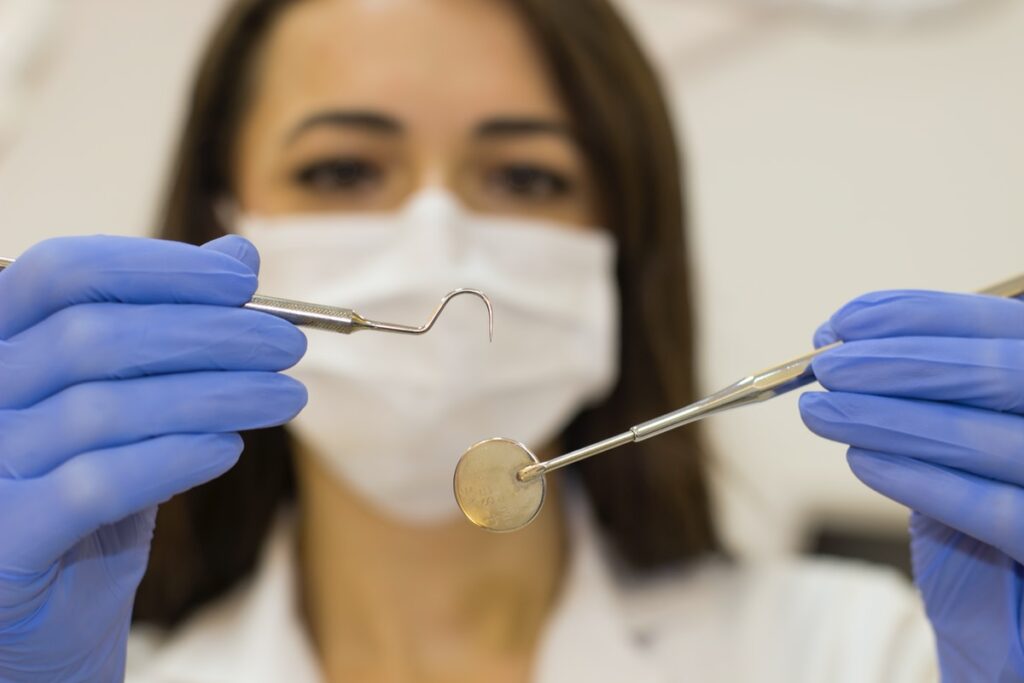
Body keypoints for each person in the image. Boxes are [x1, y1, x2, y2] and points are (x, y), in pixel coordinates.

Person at [0, 0, 1021, 681]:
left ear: (623, 247)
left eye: (526, 177)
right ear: (222, 216)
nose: (437, 240)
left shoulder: (856, 653)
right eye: (344, 170)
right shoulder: (101, 663)